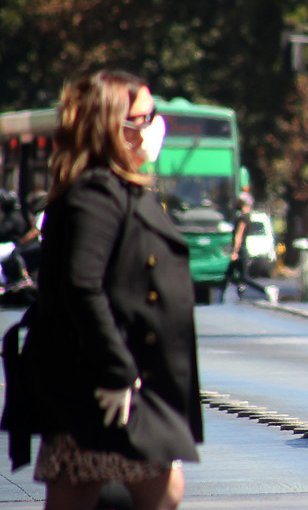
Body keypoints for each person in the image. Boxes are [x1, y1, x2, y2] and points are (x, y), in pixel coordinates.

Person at [15, 70, 203, 509]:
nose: (154, 126)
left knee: (92, 488)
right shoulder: (96, 193)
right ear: (112, 127)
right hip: (100, 379)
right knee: (149, 488)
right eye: (143, 116)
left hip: (112, 376)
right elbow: (82, 286)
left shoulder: (116, 188)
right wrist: (116, 370)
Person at [226, 195, 278, 304]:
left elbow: (238, 236)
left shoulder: (242, 218)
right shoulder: (247, 217)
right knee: (229, 275)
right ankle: (239, 290)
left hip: (241, 251)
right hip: (242, 250)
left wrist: (234, 252)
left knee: (243, 277)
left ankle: (266, 290)